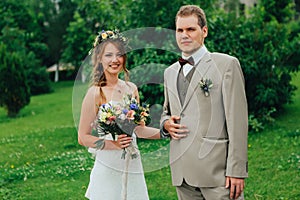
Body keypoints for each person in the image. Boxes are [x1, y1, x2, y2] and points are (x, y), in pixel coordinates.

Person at [160, 5, 248, 200]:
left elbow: (238, 122)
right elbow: (167, 112)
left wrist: (237, 170)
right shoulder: (170, 72)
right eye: (180, 30)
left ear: (204, 31)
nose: (184, 35)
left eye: (191, 29)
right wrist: (165, 124)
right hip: (182, 172)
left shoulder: (226, 65)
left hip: (217, 173)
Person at [78, 29, 159, 200]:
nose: (115, 60)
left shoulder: (131, 89)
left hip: (132, 161)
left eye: (119, 55)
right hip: (108, 165)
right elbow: (82, 137)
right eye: (108, 55)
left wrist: (166, 132)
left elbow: (140, 130)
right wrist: (113, 144)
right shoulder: (95, 93)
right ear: (100, 59)